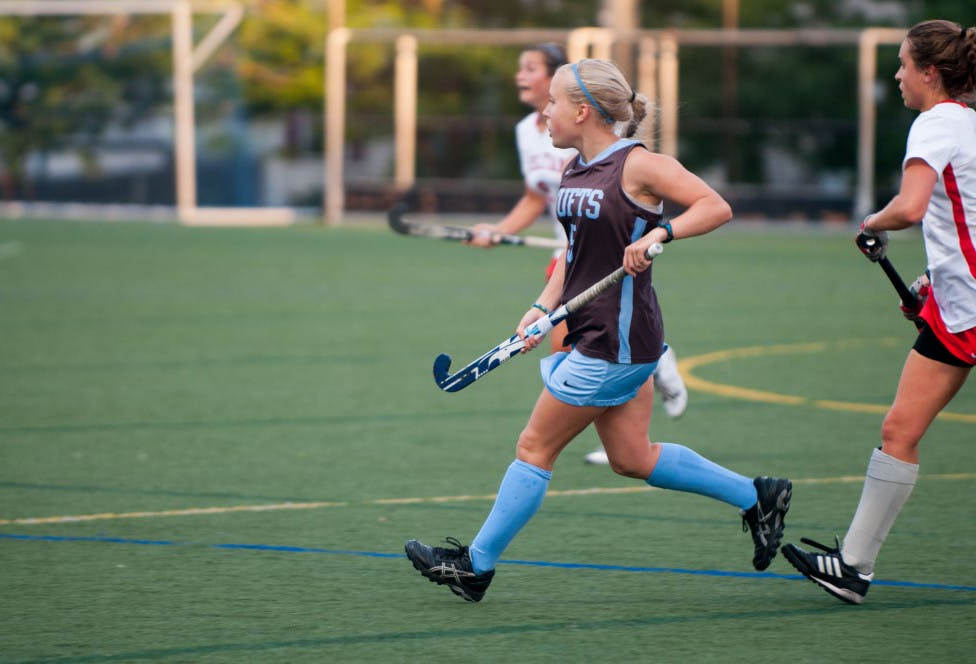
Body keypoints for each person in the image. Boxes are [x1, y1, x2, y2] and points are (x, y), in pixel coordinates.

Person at [405, 58, 793, 603]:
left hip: (617, 342)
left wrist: (661, 233)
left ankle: (475, 566)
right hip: (597, 332)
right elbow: (573, 254)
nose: (545, 112)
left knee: (534, 446)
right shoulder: (574, 170)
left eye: (554, 103)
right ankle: (757, 496)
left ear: (582, 111)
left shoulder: (639, 166)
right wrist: (541, 306)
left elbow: (716, 206)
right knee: (632, 457)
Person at [782, 19, 976, 605]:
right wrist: (932, 281)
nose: (896, 76)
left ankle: (854, 566)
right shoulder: (968, 123)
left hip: (969, 308)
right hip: (959, 300)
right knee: (900, 429)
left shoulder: (937, 123)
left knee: (900, 430)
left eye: (902, 65)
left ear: (930, 73)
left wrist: (870, 223)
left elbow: (911, 207)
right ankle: (852, 567)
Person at [466, 44, 688, 468]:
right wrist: (498, 232)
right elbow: (537, 198)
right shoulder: (526, 132)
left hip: (602, 256)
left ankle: (652, 367)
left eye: (530, 69)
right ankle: (627, 428)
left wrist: (661, 231)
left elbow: (646, 194)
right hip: (567, 255)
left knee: (581, 353)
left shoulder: (604, 142)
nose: (520, 76)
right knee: (574, 345)